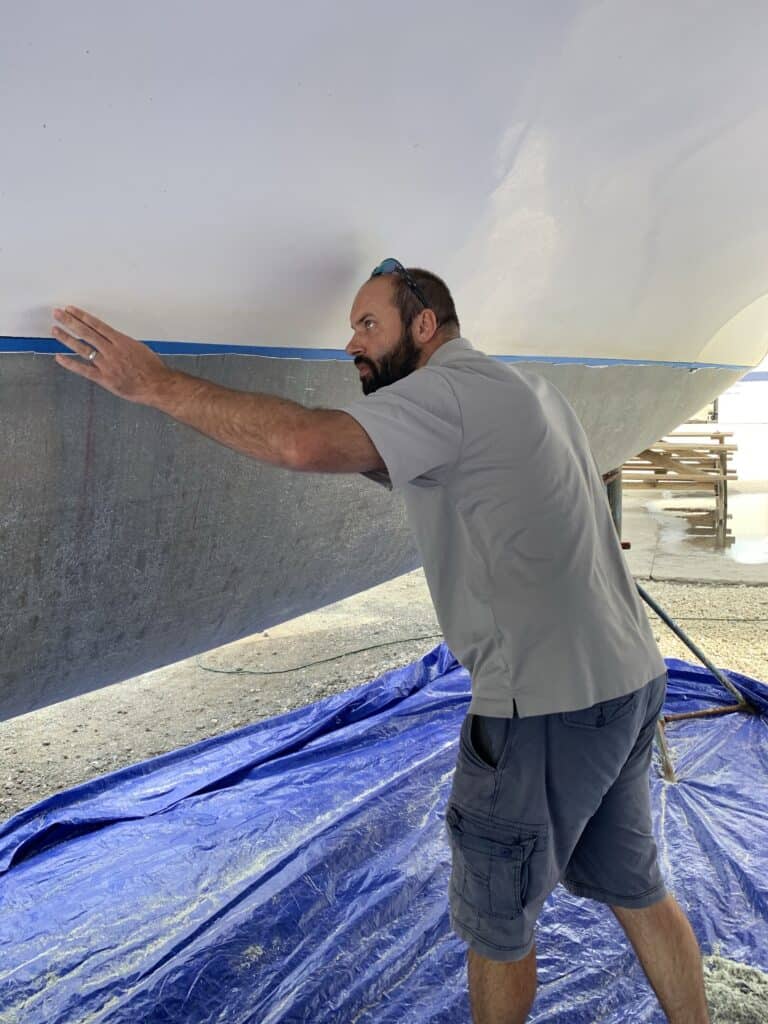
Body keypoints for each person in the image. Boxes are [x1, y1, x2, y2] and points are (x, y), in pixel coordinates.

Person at [51, 260, 710, 1024]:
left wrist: (157, 382)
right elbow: (453, 477)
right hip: (627, 682)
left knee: (498, 928)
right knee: (639, 890)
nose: (350, 344)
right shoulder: (526, 390)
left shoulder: (447, 393)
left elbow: (303, 443)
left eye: (369, 325)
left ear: (424, 325)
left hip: (547, 705)